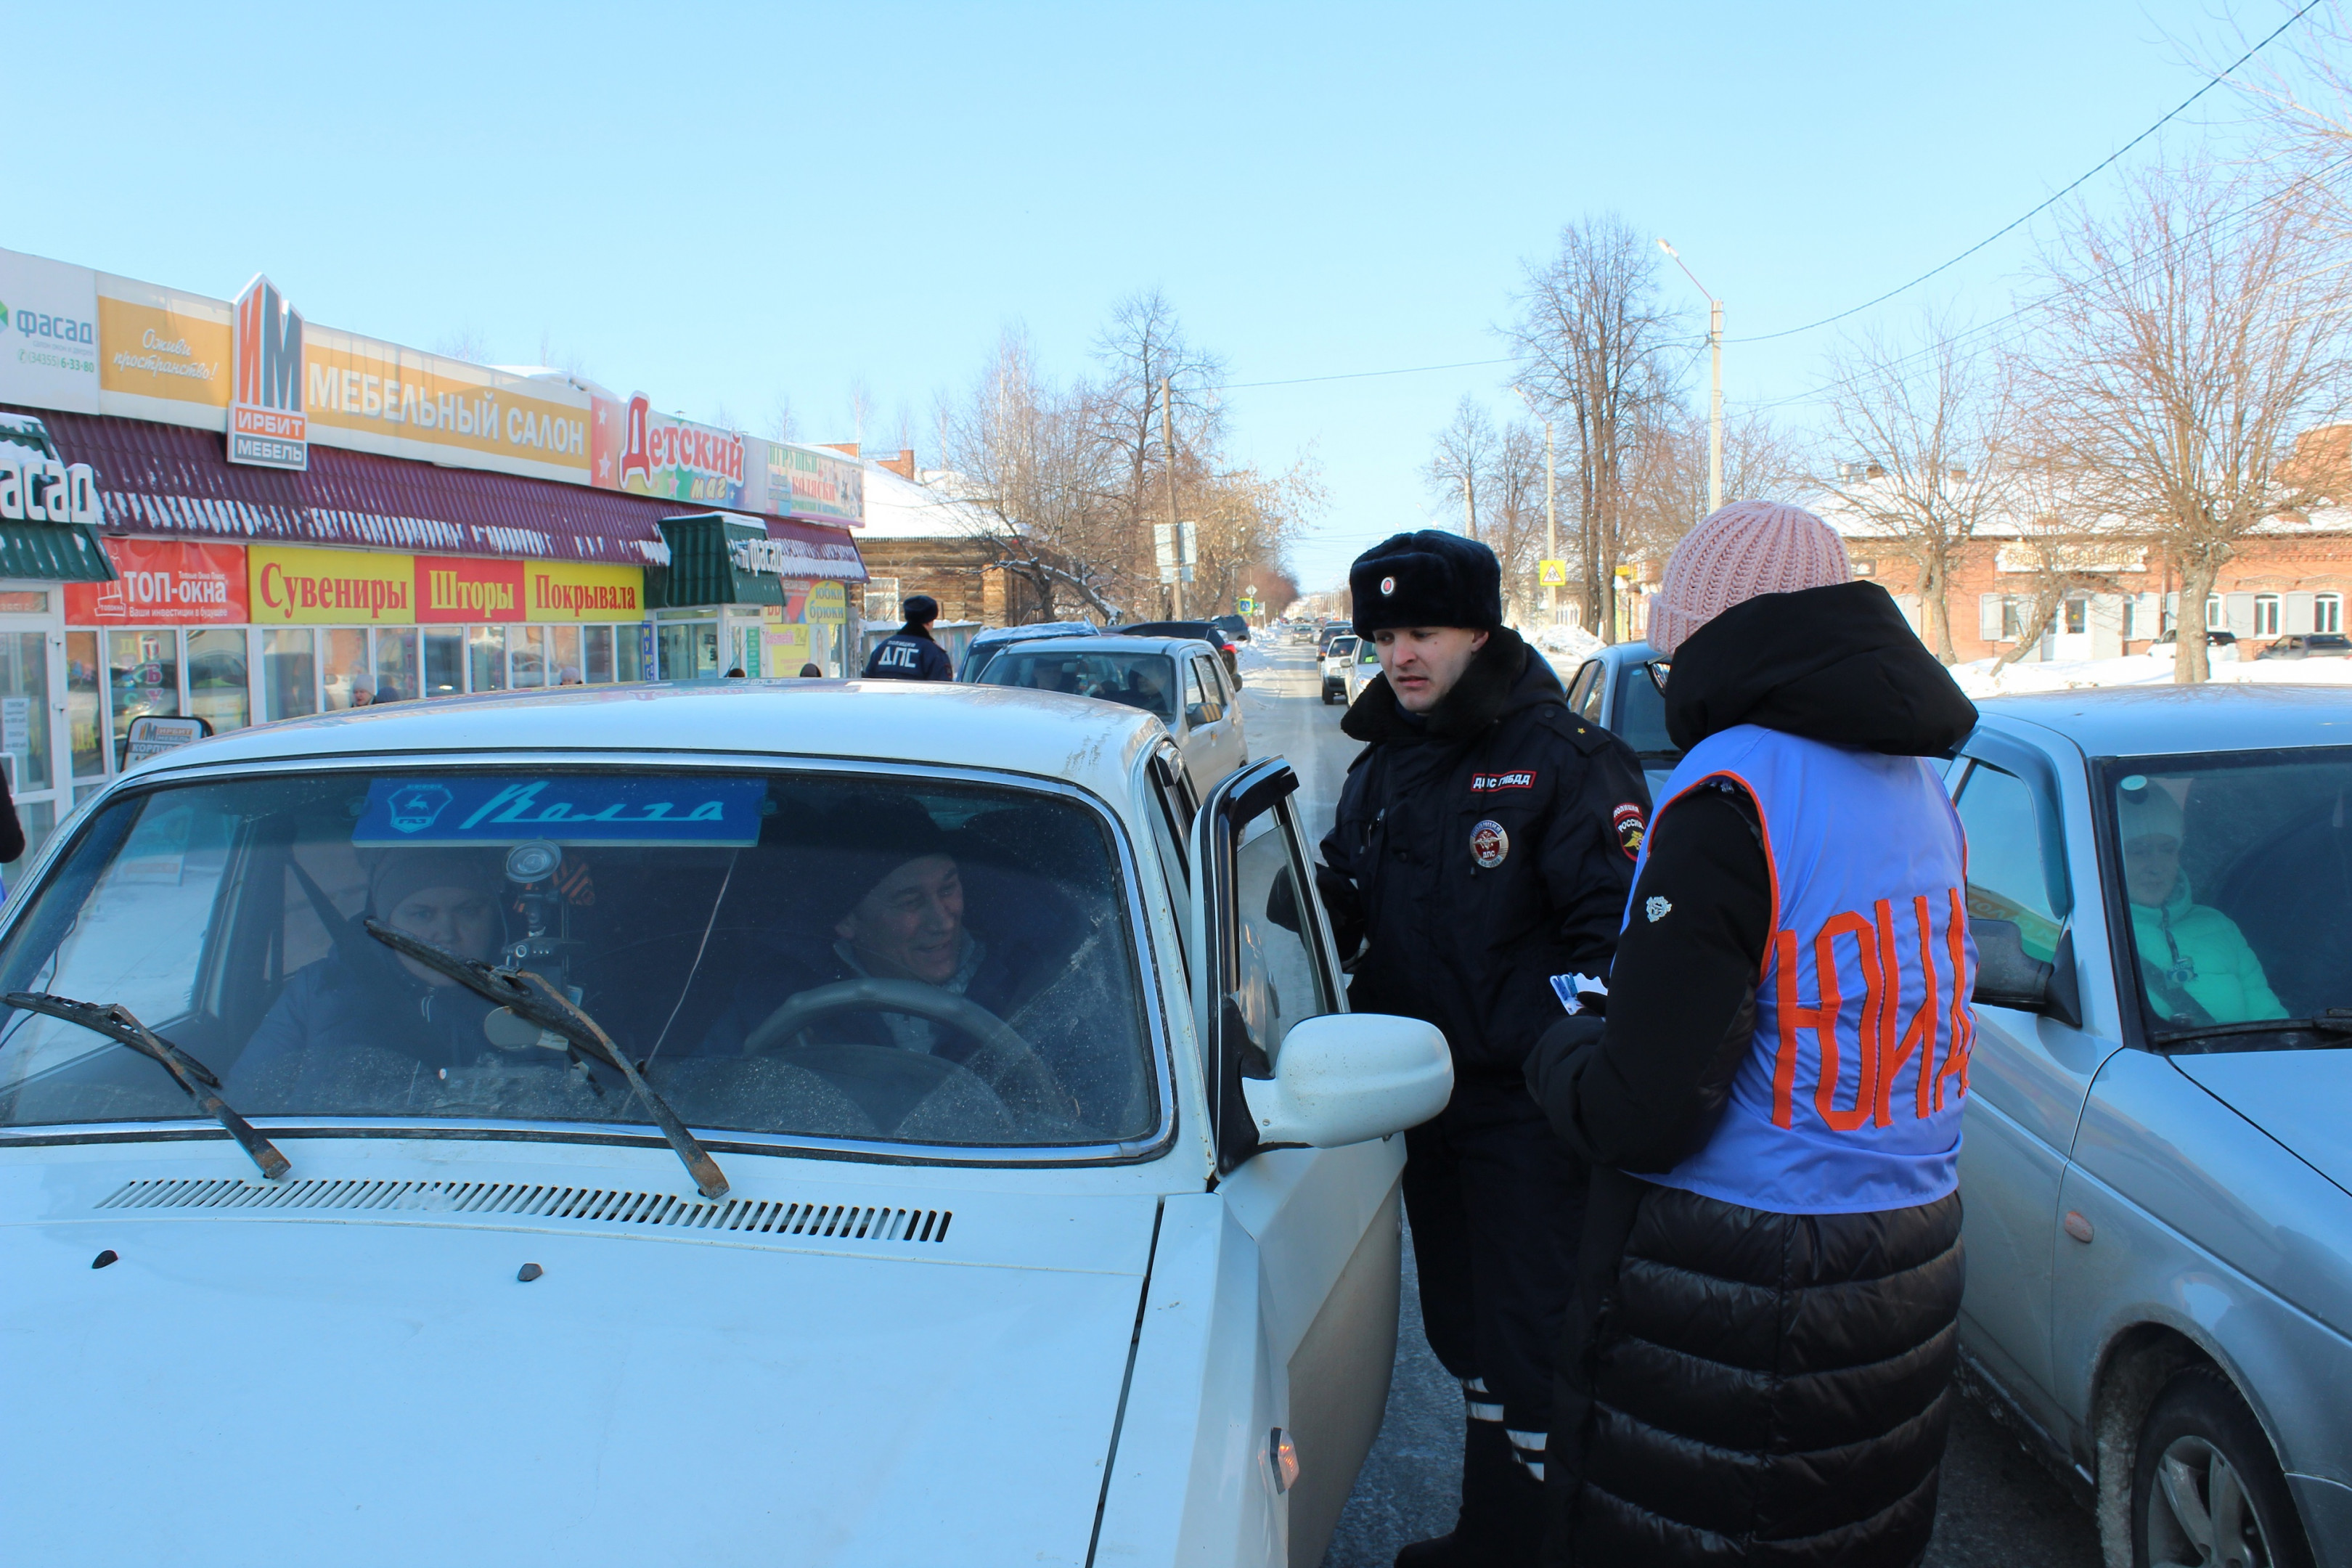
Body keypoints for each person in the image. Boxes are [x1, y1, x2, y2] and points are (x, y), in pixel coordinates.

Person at [1522, 501, 1981, 1567]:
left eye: (1669, 649)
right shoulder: (1921, 785)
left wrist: (1558, 1052)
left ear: (1708, 640)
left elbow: (1642, 1110)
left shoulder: (1733, 790)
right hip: (1908, 1259)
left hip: (1744, 1283)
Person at [1314, 530, 1649, 1566]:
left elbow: (1617, 944)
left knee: (1539, 1347)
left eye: (1422, 632)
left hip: (1527, 1117)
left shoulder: (1565, 763)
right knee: (1468, 1337)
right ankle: (1494, 1537)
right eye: (1383, 638)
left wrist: (1546, 1052)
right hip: (1426, 1107)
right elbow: (1346, 896)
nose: (1400, 656)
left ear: (1480, 632)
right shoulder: (1386, 765)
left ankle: (1560, 1547)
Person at [228, 850, 505, 1103]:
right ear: (387, 925)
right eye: (422, 914)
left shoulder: (525, 994)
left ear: (494, 917)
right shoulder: (320, 988)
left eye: (468, 911)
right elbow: (247, 1100)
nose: (447, 933)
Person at [2119, 777, 2285, 1024]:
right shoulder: (2101, 937)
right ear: (2112, 856)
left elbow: (2271, 1023)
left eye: (2167, 849)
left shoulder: (2217, 926)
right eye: (2138, 851)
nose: (2156, 867)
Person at [862, 594, 955, 680]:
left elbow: (868, 681)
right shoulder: (932, 653)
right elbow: (943, 689)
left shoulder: (884, 647)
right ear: (929, 621)